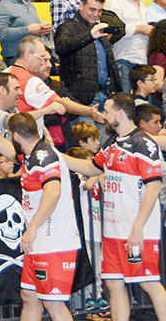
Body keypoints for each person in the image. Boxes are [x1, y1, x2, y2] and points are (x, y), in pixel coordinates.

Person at [62, 93, 166, 321]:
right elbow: (91, 167)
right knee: (113, 283)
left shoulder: (143, 144)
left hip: (137, 229)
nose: (104, 117)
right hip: (112, 231)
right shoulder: (111, 143)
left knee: (149, 283)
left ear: (121, 113)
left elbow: (154, 187)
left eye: (107, 111)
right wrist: (58, 157)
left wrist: (138, 227)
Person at [0, 113, 80, 321]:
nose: (9, 139)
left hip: (54, 240)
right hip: (39, 241)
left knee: (53, 303)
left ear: (16, 135)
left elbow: (53, 192)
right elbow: (10, 151)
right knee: (29, 295)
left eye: (9, 134)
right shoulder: (31, 155)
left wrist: (32, 227)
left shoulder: (44, 157)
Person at [55, 0, 123, 112]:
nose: (96, 14)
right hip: (81, 98)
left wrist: (117, 89)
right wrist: (89, 36)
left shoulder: (100, 28)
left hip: (106, 94)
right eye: (92, 9)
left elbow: (110, 62)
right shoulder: (66, 27)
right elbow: (61, 48)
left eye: (100, 10)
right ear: (81, 5)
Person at [106, 0, 155, 92]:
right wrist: (141, 29)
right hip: (124, 59)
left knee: (141, 104)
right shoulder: (114, 2)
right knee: (125, 101)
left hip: (142, 60)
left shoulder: (141, 3)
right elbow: (113, 29)